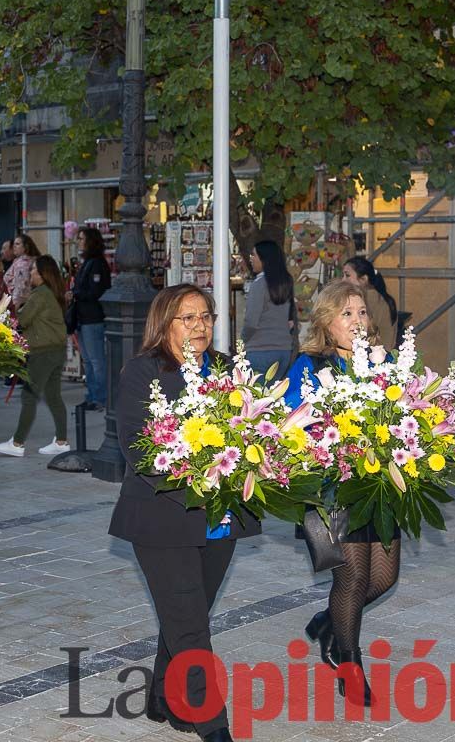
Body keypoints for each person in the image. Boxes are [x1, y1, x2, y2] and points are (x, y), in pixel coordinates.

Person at [108, 285, 254, 742]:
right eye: (186, 318)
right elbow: (136, 448)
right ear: (163, 323)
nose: (199, 326)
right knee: (191, 625)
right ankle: (214, 725)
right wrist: (196, 474)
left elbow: (252, 428)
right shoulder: (141, 372)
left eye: (205, 317)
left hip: (220, 516)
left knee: (188, 614)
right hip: (163, 514)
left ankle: (161, 697)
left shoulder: (228, 368)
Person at [283, 279, 399, 706]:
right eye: (345, 313)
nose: (356, 321)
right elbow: (295, 420)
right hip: (334, 489)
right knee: (352, 579)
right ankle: (350, 666)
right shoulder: (311, 364)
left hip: (379, 485)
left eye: (361, 312)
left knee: (384, 578)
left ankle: (330, 621)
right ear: (326, 322)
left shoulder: (382, 362)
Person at [0, 255, 70, 458]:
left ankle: (17, 443)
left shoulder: (40, 294)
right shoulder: (53, 292)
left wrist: (15, 308)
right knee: (53, 396)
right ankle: (61, 441)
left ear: (44, 274)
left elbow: (22, 320)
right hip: (57, 350)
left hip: (43, 352)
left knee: (29, 396)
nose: (31, 274)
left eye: (35, 270)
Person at [69, 227, 111, 411]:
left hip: (92, 318)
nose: (78, 241)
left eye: (81, 238)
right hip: (84, 317)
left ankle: (100, 397)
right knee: (88, 360)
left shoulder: (96, 264)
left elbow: (96, 291)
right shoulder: (88, 263)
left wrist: (75, 294)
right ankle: (93, 395)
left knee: (95, 360)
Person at [242, 239, 295, 383]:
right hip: (283, 350)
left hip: (260, 350)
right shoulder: (285, 282)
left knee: (258, 399)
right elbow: (290, 321)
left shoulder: (259, 285)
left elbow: (251, 322)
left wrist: (242, 340)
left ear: (264, 258)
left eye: (254, 255)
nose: (251, 259)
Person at [343, 255, 399, 350]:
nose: (343, 280)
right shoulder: (376, 296)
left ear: (364, 279)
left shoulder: (369, 298)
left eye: (347, 275)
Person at [3, 234, 41, 309]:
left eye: (17, 244)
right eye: (14, 244)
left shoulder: (22, 264)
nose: (14, 247)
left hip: (19, 303)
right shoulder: (33, 260)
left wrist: (15, 304)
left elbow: (21, 287)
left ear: (25, 247)